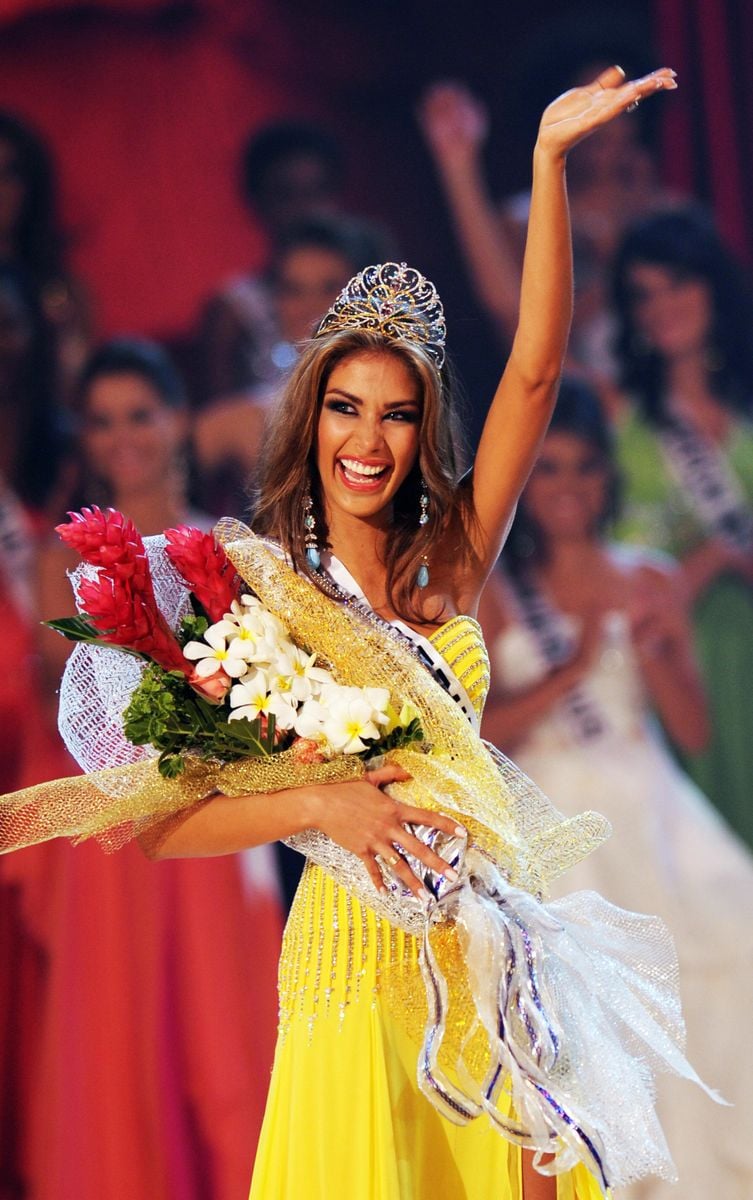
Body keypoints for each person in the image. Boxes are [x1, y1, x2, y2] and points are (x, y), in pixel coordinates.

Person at [1, 69, 698, 1200]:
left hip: (480, 954)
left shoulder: (452, 559)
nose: (366, 440)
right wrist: (324, 802)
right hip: (347, 963)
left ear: (422, 430)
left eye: (395, 412)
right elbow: (162, 827)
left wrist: (544, 168)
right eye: (343, 407)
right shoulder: (257, 597)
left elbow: (536, 370)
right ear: (310, 416)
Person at [22, 339, 283, 1200]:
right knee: (122, 1054)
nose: (123, 437)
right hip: (118, 844)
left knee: (226, 1045)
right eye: (101, 421)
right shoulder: (59, 567)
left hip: (218, 829)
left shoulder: (227, 550)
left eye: (141, 413)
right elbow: (61, 703)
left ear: (179, 418)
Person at [479, 378, 753, 1200]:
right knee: (593, 1015)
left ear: (606, 477)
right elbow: (484, 733)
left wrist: (662, 651)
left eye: (584, 469)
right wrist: (569, 668)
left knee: (719, 962)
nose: (568, 488)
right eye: (550, 470)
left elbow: (693, 731)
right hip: (553, 812)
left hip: (651, 799)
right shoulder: (495, 590)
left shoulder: (648, 573)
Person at [611, 206, 753, 848]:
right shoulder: (619, 418)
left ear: (713, 287)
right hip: (685, 662)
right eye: (645, 293)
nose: (664, 305)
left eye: (679, 283)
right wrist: (717, 557)